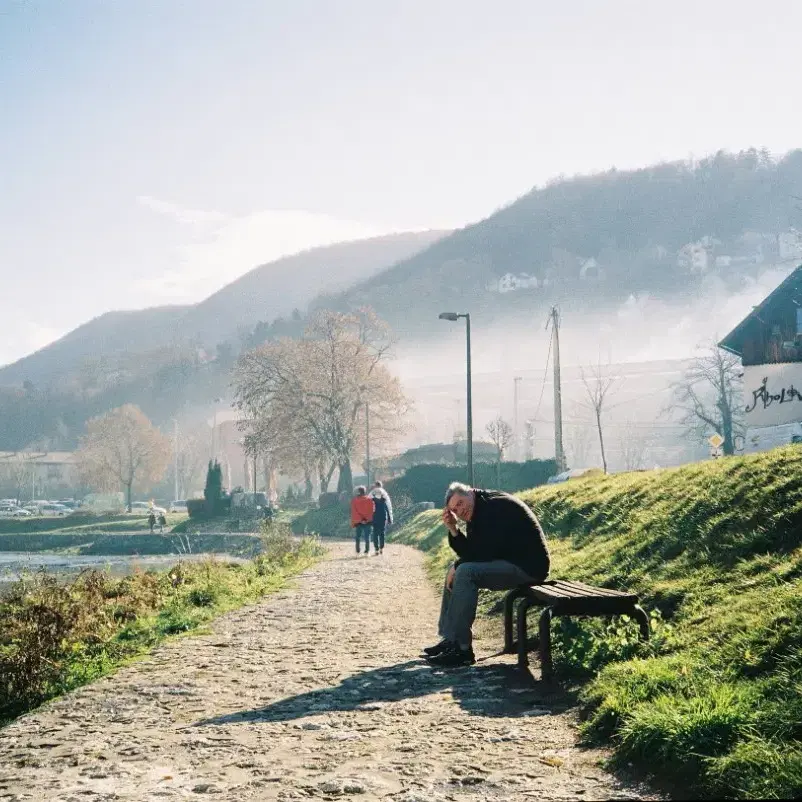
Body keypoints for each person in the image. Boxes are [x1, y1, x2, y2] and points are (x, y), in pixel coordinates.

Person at [424, 481, 551, 668]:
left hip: (528, 567)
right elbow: (473, 552)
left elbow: (485, 554)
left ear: (470, 493)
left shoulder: (494, 507)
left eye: (460, 503)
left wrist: (458, 565)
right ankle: (451, 640)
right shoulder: (478, 509)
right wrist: (453, 529)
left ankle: (462, 650)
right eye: (454, 510)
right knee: (458, 570)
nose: (459, 511)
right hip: (509, 562)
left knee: (465, 572)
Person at [369, 480, 393, 555]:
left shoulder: (372, 496)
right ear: (381, 486)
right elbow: (388, 508)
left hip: (375, 517)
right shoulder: (384, 497)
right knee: (382, 532)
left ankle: (376, 549)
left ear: (375, 486)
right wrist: (390, 519)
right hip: (383, 517)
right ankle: (381, 548)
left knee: (375, 533)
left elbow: (368, 507)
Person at [350, 486, 375, 556]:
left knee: (358, 537)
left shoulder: (354, 501)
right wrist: (366, 519)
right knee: (367, 537)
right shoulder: (370, 500)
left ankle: (357, 552)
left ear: (358, 492)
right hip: (368, 521)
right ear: (365, 491)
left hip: (358, 522)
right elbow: (371, 511)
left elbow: (354, 512)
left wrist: (360, 520)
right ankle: (367, 552)